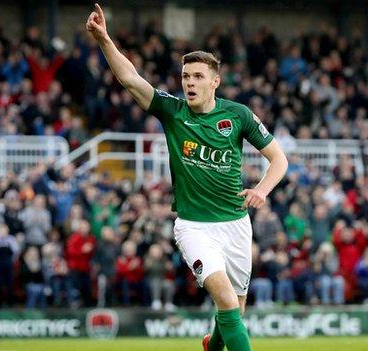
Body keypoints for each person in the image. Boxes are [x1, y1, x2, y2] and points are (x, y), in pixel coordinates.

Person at [86, 5, 288, 351]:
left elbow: (278, 159)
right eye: (185, 76)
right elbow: (130, 78)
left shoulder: (237, 115)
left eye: (197, 76)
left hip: (236, 225)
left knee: (235, 310)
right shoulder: (172, 111)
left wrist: (262, 190)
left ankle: (213, 345)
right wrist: (104, 39)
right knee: (226, 301)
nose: (190, 83)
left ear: (215, 82)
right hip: (194, 226)